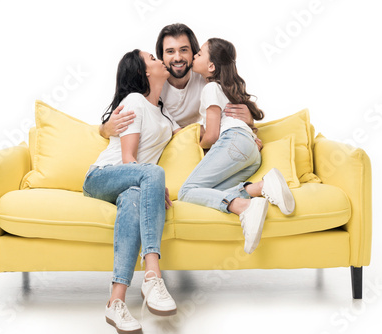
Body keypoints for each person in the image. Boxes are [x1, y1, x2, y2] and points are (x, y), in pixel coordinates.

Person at [83, 49, 180, 334]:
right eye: (152, 58)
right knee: (153, 172)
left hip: (133, 184)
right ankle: (152, 274)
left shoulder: (163, 114)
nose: (160, 59)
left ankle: (116, 302)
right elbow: (128, 158)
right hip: (102, 176)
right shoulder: (135, 101)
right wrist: (153, 179)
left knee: (135, 200)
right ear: (143, 72)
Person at [178, 38, 296, 254]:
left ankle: (246, 206)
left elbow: (213, 135)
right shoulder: (224, 89)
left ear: (211, 66)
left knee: (187, 191)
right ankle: (260, 187)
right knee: (210, 192)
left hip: (233, 143)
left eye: (200, 53)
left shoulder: (211, 88)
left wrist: (197, 144)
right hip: (250, 151)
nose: (195, 55)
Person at [99, 23, 263, 152]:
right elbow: (116, 115)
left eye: (184, 50)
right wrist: (106, 129)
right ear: (161, 56)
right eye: (170, 51)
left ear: (194, 53)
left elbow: (232, 96)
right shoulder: (152, 85)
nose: (178, 58)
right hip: (165, 143)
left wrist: (249, 119)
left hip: (198, 139)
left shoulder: (206, 78)